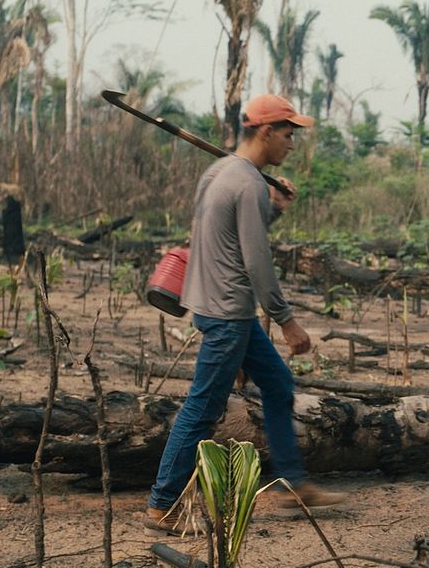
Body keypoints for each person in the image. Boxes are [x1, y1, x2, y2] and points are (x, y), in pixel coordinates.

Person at [144, 94, 346, 536]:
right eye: (289, 135)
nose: (292, 145)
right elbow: (256, 261)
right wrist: (287, 320)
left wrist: (273, 208)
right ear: (267, 132)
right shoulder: (248, 182)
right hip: (228, 313)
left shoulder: (221, 174)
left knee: (277, 383)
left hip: (215, 305)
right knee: (203, 408)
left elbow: (235, 237)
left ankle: (292, 484)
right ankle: (162, 503)